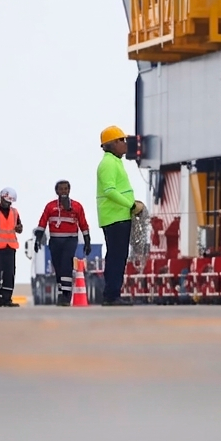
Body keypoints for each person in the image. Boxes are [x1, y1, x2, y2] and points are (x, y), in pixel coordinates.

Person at [97, 126, 144, 306]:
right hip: (115, 217)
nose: (125, 144)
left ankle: (112, 294)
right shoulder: (108, 164)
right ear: (112, 143)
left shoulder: (114, 162)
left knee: (117, 256)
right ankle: (111, 295)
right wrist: (130, 205)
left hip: (118, 216)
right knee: (117, 257)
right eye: (121, 140)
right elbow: (109, 191)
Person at [34, 180, 91, 306]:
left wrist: (87, 241)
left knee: (66, 265)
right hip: (55, 241)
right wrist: (38, 239)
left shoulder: (77, 206)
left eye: (66, 189)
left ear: (69, 190)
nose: (64, 191)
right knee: (58, 267)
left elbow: (83, 224)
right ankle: (61, 292)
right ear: (56, 191)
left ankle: (66, 295)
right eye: (61, 189)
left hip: (70, 240)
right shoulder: (50, 206)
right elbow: (42, 222)